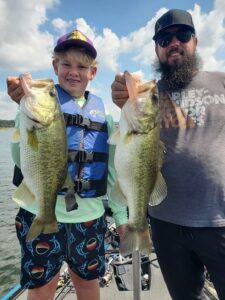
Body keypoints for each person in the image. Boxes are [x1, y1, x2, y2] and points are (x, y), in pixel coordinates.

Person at [111, 8, 225, 300]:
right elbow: (131, 126)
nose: (173, 43)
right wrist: (122, 91)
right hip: (165, 224)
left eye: (182, 35)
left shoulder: (221, 81)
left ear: (195, 42)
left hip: (219, 219)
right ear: (157, 48)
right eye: (164, 39)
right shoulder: (150, 93)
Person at [7, 29, 128, 300]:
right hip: (37, 209)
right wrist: (21, 110)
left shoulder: (105, 117)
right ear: (55, 67)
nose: (74, 72)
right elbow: (19, 157)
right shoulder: (36, 105)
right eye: (66, 64)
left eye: (82, 66)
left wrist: (121, 216)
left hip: (88, 217)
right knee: (41, 288)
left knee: (87, 283)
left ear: (93, 72)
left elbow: (112, 173)